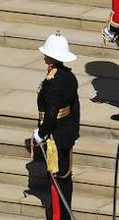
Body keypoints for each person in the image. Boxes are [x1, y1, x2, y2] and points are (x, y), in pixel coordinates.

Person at [28, 33, 80, 220]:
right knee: (65, 177)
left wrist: (41, 133)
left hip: (55, 135)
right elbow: (75, 108)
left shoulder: (53, 83)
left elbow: (51, 115)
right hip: (67, 132)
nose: (44, 57)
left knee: (56, 179)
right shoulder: (69, 77)